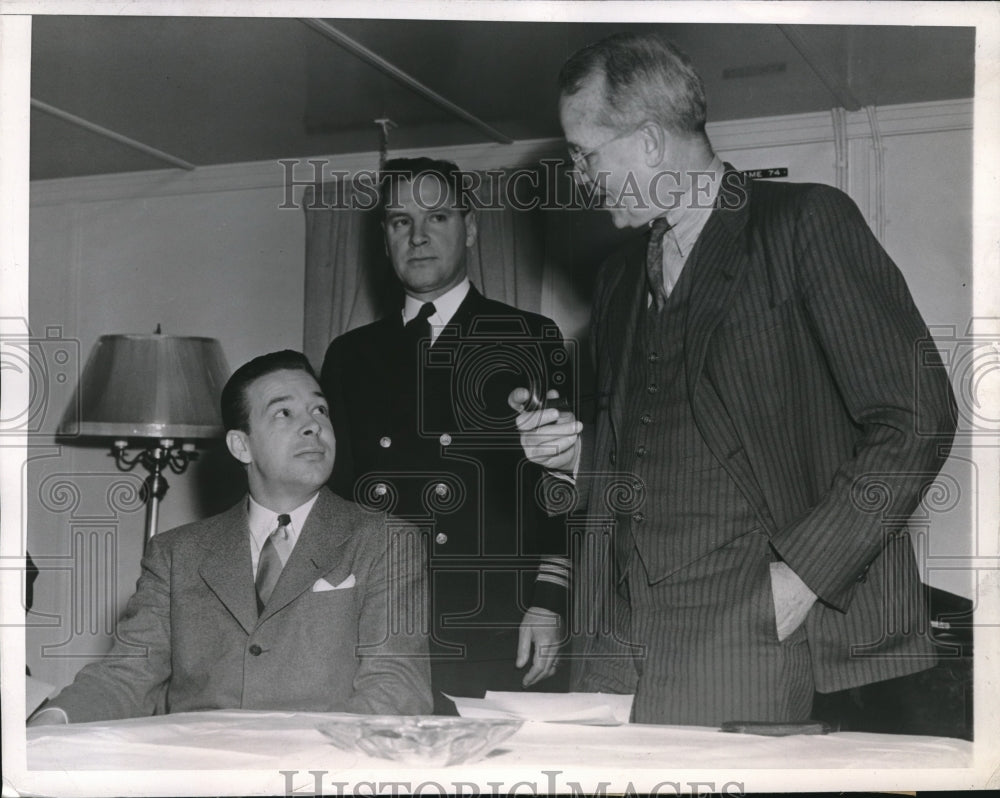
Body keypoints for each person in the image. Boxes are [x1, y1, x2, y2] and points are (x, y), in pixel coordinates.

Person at [511, 32, 957, 726]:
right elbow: (652, 446)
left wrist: (802, 576)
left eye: (585, 153)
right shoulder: (619, 278)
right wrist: (578, 456)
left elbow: (918, 417)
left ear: (650, 143)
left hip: (744, 628)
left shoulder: (805, 224)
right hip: (614, 634)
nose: (577, 174)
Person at [29, 350, 431, 724]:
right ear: (241, 446)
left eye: (319, 409)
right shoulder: (175, 554)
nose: (313, 425)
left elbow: (397, 691)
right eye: (284, 413)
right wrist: (52, 720)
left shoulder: (386, 542)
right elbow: (126, 676)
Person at [321, 158, 571, 714]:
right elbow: (335, 498)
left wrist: (549, 600)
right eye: (399, 221)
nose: (418, 236)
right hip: (384, 622)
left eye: (437, 216)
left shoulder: (529, 336)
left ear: (471, 229)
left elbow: (558, 484)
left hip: (499, 619)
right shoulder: (350, 356)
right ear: (384, 239)